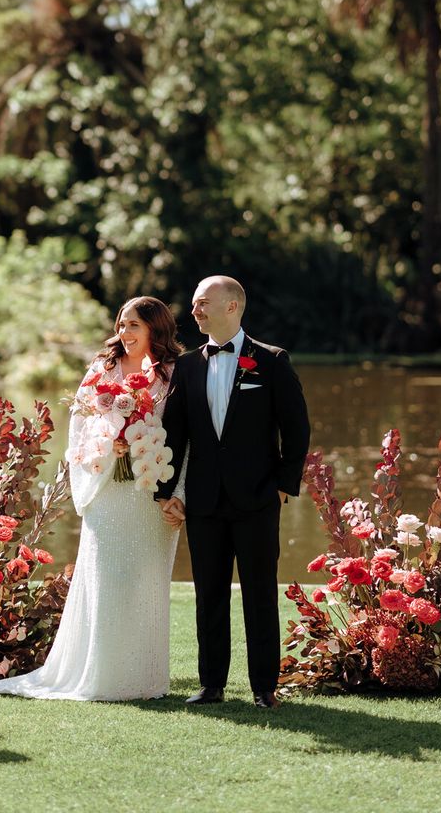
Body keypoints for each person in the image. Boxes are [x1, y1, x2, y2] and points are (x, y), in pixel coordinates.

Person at [0, 296, 185, 700]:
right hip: (107, 492)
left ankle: (143, 679)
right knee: (108, 579)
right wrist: (109, 444)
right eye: (121, 324)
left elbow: (185, 435)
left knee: (145, 582)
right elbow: (80, 426)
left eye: (134, 325)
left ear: (156, 328)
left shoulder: (172, 374)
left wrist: (172, 486)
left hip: (150, 491)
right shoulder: (104, 369)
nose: (125, 332)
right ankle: (102, 675)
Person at [158, 275, 310, 708]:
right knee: (209, 595)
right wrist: (167, 491)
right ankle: (211, 685)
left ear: (233, 307)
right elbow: (175, 433)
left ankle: (265, 688)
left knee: (260, 594)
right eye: (194, 304)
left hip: (259, 498)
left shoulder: (272, 361)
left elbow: (296, 430)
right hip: (204, 500)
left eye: (203, 302)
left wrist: (283, 486)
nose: (195, 311)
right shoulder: (187, 365)